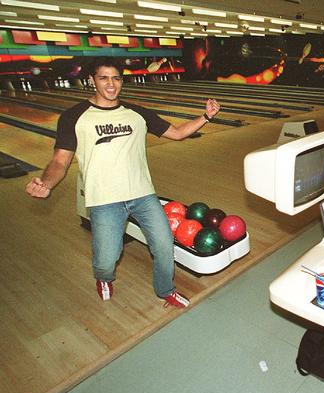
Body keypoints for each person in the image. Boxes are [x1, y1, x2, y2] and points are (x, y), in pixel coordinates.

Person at [24, 57, 221, 308]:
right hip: (104, 200)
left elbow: (178, 132)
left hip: (142, 195)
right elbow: (60, 162)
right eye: (104, 78)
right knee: (107, 259)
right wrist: (47, 183)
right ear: (91, 80)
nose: (111, 84)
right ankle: (104, 278)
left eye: (116, 78)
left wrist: (207, 116)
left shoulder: (137, 113)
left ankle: (165, 290)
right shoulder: (74, 116)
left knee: (163, 245)